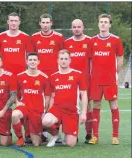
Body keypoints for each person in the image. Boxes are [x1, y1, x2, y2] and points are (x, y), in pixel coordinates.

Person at [0, 12, 34, 143]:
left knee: (24, 104)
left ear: (19, 22)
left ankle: (27, 133)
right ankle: (3, 131)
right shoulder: (0, 37)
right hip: (4, 78)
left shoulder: (25, 37)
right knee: (2, 104)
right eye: (11, 21)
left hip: (22, 78)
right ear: (7, 22)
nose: (13, 23)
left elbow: (30, 57)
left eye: (15, 21)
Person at [89, 14, 124, 145]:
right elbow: (91, 60)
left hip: (110, 80)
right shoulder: (92, 40)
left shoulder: (116, 40)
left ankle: (115, 136)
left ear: (110, 24)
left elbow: (120, 58)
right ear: (98, 24)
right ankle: (95, 136)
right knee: (96, 105)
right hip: (96, 80)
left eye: (105, 22)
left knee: (113, 105)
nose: (103, 24)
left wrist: (115, 73)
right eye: (101, 22)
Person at [42, 49, 88, 147]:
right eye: (61, 59)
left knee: (70, 144)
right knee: (45, 121)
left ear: (70, 60)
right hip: (57, 109)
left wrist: (83, 113)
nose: (64, 61)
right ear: (58, 60)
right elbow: (52, 97)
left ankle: (66, 134)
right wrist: (49, 111)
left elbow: (84, 94)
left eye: (66, 59)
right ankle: (56, 135)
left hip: (71, 111)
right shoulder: (53, 77)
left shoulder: (78, 74)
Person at [32, 13, 65, 143]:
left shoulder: (58, 37)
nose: (45, 25)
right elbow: (31, 58)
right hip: (39, 78)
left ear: (51, 23)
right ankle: (43, 132)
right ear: (39, 23)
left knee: (55, 104)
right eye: (43, 23)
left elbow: (64, 57)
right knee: (40, 104)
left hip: (55, 78)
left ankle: (57, 131)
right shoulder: (34, 37)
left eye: (47, 23)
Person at [12, 52, 51, 147]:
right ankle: (20, 138)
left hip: (37, 110)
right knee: (14, 115)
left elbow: (47, 97)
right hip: (24, 107)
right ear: (26, 62)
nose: (32, 62)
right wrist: (17, 102)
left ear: (38, 62)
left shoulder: (44, 77)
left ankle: (37, 132)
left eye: (34, 60)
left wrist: (45, 112)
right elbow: (13, 92)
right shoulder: (20, 76)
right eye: (30, 60)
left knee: (36, 144)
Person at [64, 19, 93, 144]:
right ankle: (71, 132)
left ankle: (89, 134)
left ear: (83, 27)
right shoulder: (67, 43)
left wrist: (91, 77)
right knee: (70, 107)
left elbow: (92, 61)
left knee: (88, 106)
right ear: (71, 28)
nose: (76, 29)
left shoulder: (89, 41)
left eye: (79, 26)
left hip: (85, 80)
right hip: (70, 82)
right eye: (74, 27)